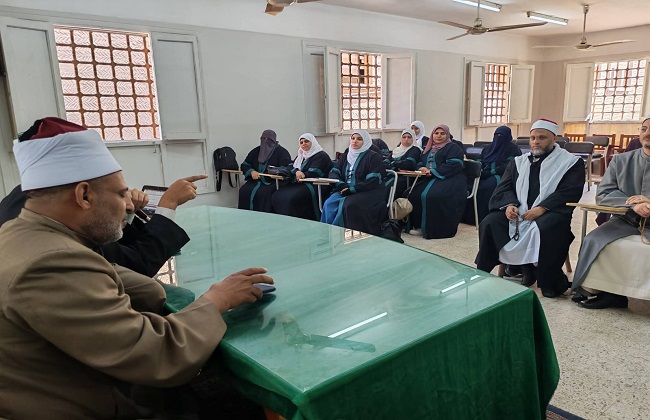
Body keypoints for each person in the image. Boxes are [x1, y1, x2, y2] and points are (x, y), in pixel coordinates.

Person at [0, 123, 274, 418]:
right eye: (121, 195)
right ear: (84, 196)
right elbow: (159, 356)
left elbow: (115, 276)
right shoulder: (51, 263)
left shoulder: (20, 232)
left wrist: (149, 290)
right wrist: (217, 299)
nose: (128, 206)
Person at [0, 117, 195, 277]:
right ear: (83, 195)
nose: (126, 201)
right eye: (118, 192)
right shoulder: (59, 230)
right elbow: (137, 266)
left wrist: (122, 208)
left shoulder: (25, 199)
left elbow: (114, 243)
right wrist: (168, 204)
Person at [475, 119, 585, 298]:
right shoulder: (518, 162)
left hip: (552, 211)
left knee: (546, 227)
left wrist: (543, 208)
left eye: (542, 138)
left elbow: (569, 191)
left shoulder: (570, 163)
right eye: (533, 138)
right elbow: (504, 187)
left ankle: (547, 280)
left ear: (554, 139)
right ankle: (492, 270)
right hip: (520, 209)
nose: (536, 142)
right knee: (490, 222)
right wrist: (510, 205)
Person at [571, 115, 650, 309]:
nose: (647, 133)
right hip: (627, 219)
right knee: (594, 240)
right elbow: (604, 193)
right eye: (644, 129)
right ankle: (609, 294)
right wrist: (632, 205)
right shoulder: (621, 161)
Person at [321, 129, 387, 235]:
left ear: (365, 141)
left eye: (359, 139)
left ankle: (341, 234)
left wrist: (353, 189)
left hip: (368, 191)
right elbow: (334, 172)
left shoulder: (373, 157)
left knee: (347, 205)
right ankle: (328, 233)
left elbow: (373, 181)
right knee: (329, 203)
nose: (355, 141)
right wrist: (341, 185)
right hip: (345, 189)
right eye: (353, 138)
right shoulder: (346, 155)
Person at [408, 124, 467, 239]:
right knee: (413, 194)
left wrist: (433, 171)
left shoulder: (453, 147)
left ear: (447, 135)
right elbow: (420, 161)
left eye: (442, 133)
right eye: (436, 133)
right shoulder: (428, 147)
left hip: (450, 178)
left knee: (432, 196)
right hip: (430, 178)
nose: (439, 136)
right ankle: (419, 226)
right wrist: (421, 168)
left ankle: (435, 229)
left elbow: (455, 165)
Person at [462, 126, 522, 225]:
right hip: (483, 173)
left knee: (485, 187)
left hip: (501, 175)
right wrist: (480, 170)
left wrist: (491, 172)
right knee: (469, 185)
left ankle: (483, 217)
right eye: (496, 135)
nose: (498, 137)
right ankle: (469, 218)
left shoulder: (513, 149)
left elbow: (509, 165)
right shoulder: (488, 148)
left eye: (501, 135)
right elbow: (479, 160)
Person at [271, 133, 332, 220]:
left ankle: (299, 220)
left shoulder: (321, 155)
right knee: (277, 195)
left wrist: (303, 174)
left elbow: (314, 173)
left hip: (315, 185)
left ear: (313, 142)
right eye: (301, 142)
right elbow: (290, 167)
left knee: (290, 198)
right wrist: (297, 172)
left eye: (306, 141)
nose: (304, 144)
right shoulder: (301, 155)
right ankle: (284, 221)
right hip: (300, 183)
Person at [238, 129, 292, 212]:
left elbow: (286, 169)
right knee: (244, 190)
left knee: (263, 194)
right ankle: (245, 216)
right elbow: (245, 164)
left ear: (274, 140)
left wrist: (274, 171)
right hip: (255, 181)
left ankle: (263, 217)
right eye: (263, 138)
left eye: (268, 139)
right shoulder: (256, 151)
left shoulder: (282, 152)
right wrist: (251, 171)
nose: (265, 141)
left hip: (272, 182)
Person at [383, 128, 422, 198]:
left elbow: (408, 164)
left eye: (409, 137)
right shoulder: (396, 150)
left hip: (405, 177)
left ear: (413, 138)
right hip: (391, 175)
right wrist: (396, 166)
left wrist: (392, 164)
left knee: (389, 188)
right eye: (404, 137)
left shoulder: (415, 150)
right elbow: (384, 163)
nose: (406, 139)